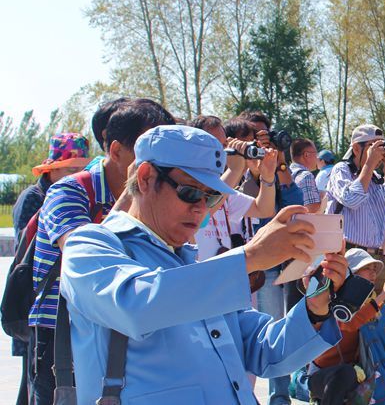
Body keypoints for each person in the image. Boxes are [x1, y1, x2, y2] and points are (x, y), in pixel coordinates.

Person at [59, 125, 347, 404]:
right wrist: (250, 257)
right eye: (190, 192)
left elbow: (264, 350)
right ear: (145, 178)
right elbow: (134, 307)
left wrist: (315, 309)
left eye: (211, 197)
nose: (200, 208)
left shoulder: (196, 264)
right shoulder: (90, 245)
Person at [27, 101, 174, 405]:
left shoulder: (157, 194)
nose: (161, 164)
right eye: (149, 153)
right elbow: (84, 255)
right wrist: (133, 192)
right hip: (62, 335)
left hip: (120, 327)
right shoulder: (69, 191)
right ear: (117, 151)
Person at [11, 133, 90, 405]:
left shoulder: (76, 195)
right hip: (37, 303)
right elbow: (27, 251)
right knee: (34, 386)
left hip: (57, 310)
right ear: (51, 170)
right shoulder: (34, 198)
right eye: (69, 169)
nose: (76, 175)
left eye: (80, 169)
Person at [234, 112, 305, 405]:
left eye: (265, 135)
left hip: (279, 260)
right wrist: (255, 168)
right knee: (253, 330)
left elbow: (295, 202)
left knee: (278, 327)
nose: (261, 142)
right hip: (248, 262)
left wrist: (280, 162)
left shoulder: (274, 167)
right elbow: (248, 202)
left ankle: (280, 396)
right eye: (256, 136)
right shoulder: (236, 167)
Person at [308, 248, 385, 404]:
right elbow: (349, 324)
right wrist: (382, 296)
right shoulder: (335, 301)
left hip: (358, 372)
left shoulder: (375, 305)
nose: (373, 273)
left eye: (374, 269)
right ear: (351, 273)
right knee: (345, 374)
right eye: (367, 268)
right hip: (324, 375)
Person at [326, 124, 385, 290]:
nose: (380, 152)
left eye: (382, 146)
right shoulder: (341, 170)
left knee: (379, 306)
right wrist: (369, 164)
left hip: (377, 259)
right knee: (352, 304)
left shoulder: (377, 177)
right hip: (351, 256)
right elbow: (352, 199)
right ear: (356, 149)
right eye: (373, 146)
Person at [191, 116, 277, 261]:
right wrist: (234, 170)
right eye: (215, 145)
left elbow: (264, 209)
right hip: (198, 273)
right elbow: (202, 213)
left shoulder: (225, 190)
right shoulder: (185, 188)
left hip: (221, 273)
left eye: (224, 144)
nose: (223, 151)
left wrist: (267, 176)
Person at [290, 137, 323, 211]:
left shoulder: (286, 175)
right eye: (316, 154)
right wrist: (324, 198)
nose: (317, 158)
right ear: (306, 155)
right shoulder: (306, 176)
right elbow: (312, 209)